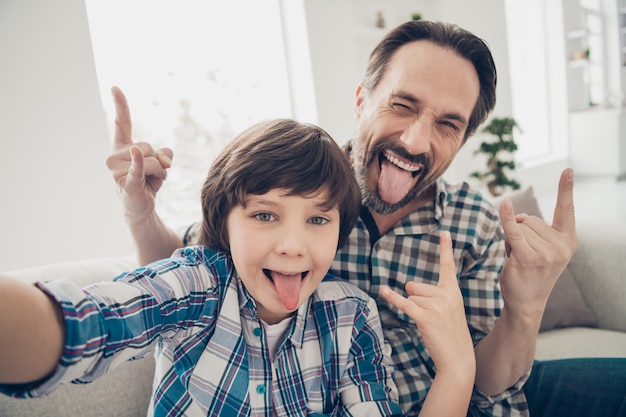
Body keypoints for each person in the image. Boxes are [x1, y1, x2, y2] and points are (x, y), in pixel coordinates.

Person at [105, 21, 626, 417]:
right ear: (361, 100)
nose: (416, 140)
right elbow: (191, 276)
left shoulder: (474, 223)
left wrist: (527, 304)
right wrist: (141, 213)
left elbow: (493, 384)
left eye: (448, 124)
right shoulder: (297, 192)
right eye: (403, 105)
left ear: (463, 139)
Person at [0, 118, 479, 416]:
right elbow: (90, 322)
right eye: (265, 215)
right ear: (224, 222)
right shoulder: (197, 287)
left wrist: (457, 368)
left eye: (317, 219)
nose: (293, 246)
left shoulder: (351, 316)